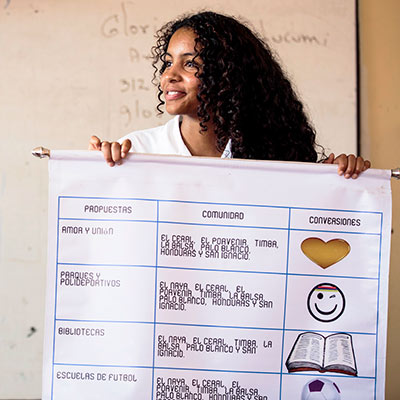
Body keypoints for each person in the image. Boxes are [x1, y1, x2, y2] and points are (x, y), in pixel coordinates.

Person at [89, 11, 370, 178]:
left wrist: (338, 180)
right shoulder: (135, 151)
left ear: (227, 74)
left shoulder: (274, 156)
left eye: (189, 63)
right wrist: (96, 170)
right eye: (167, 62)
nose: (168, 76)